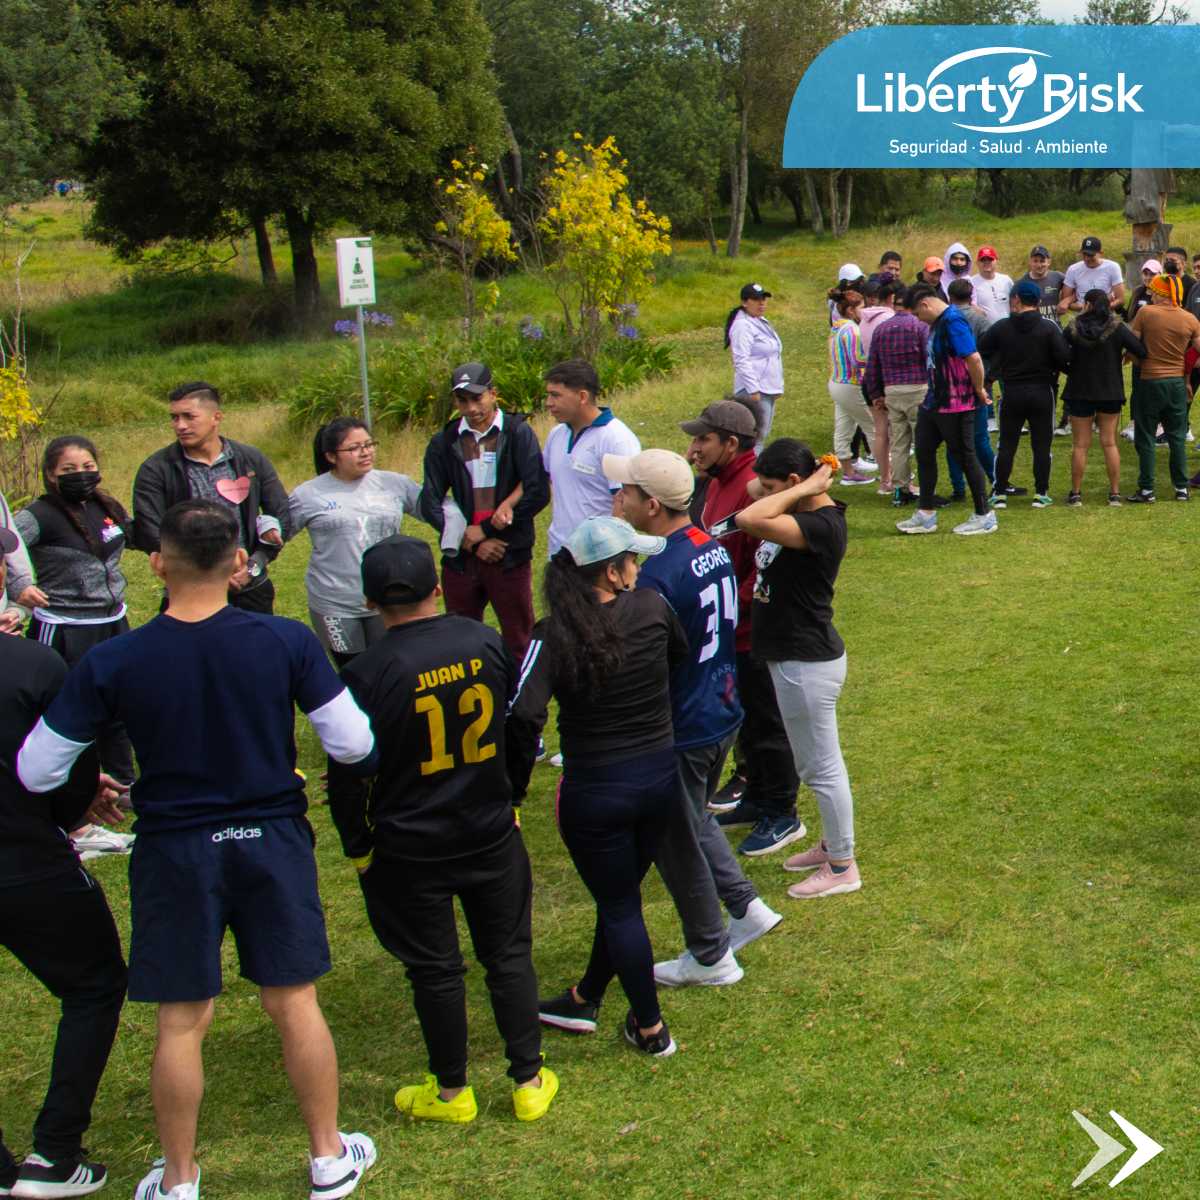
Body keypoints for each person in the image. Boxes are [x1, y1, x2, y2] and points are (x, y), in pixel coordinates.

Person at [18, 500, 380, 1200]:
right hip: (269, 838)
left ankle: (180, 1180)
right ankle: (327, 1158)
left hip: (175, 848)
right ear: (239, 564)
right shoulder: (284, 641)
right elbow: (353, 744)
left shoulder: (115, 657)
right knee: (294, 1000)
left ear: (157, 563)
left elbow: (36, 770)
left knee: (181, 1019)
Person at [326, 534, 556, 1125]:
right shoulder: (482, 639)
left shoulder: (365, 672)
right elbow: (519, 725)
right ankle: (529, 1080)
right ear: (436, 588)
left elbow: (346, 780)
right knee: (508, 955)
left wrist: (359, 851)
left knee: (434, 968)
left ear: (370, 601)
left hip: (410, 847)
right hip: (489, 830)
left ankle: (452, 1093)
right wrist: (511, 794)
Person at [506, 516, 685, 1057]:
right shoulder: (653, 608)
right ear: (613, 571)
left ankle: (650, 1028)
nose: (640, 567)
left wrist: (511, 793)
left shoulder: (551, 633)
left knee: (620, 906)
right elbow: (677, 658)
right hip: (658, 779)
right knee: (621, 899)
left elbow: (522, 715)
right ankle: (586, 995)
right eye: (634, 559)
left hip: (595, 791)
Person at [606, 450, 782, 987]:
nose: (617, 499)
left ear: (651, 504)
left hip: (684, 720)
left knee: (672, 836)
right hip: (720, 706)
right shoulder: (708, 543)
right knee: (693, 816)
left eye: (626, 492)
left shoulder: (655, 574)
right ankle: (746, 907)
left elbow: (647, 660)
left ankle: (710, 954)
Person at [0, 525, 129, 1199]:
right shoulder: (32, 666)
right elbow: (68, 777)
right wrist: (83, 799)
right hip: (27, 864)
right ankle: (53, 1153)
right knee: (95, 983)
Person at [734, 441, 861, 899]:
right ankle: (831, 845)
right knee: (816, 764)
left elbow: (750, 517)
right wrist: (801, 481)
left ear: (794, 485)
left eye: (775, 487)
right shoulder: (801, 509)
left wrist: (806, 483)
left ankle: (843, 865)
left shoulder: (821, 525)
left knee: (820, 767)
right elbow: (752, 488)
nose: (759, 492)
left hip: (803, 660)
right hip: (796, 656)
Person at [680, 401, 802, 849]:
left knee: (767, 722)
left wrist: (734, 609)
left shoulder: (756, 486)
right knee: (744, 721)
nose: (693, 449)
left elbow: (764, 563)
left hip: (751, 630)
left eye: (702, 440)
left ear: (731, 443)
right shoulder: (716, 484)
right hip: (726, 629)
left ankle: (782, 811)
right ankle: (755, 795)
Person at [11, 437, 138, 814]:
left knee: (119, 702)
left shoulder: (105, 507)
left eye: (87, 467)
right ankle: (69, 794)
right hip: (65, 626)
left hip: (114, 620)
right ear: (50, 475)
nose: (80, 476)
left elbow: (138, 537)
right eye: (68, 470)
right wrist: (19, 585)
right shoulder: (37, 515)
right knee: (68, 707)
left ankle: (124, 785)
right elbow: (7, 548)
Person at [419, 363, 550, 659]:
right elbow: (430, 500)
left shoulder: (517, 433)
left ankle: (522, 704)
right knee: (460, 643)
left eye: (477, 398)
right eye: (462, 400)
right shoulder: (444, 440)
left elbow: (538, 492)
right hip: (462, 559)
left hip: (508, 554)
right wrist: (473, 540)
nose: (470, 407)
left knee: (520, 639)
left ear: (493, 394)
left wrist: (487, 531)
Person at [132, 381, 289, 614]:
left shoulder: (250, 459)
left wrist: (254, 565)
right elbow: (150, 530)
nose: (180, 425)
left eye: (189, 416)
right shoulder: (156, 469)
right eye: (174, 417)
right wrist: (201, 576)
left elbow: (281, 513)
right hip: (187, 595)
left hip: (250, 588)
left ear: (216, 417)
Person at [287, 418, 422, 668]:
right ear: (330, 455)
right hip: (335, 602)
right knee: (354, 673)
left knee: (389, 668)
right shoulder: (308, 495)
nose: (366, 452)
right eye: (354, 448)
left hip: (386, 597)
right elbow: (276, 534)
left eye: (369, 444)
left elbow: (436, 509)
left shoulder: (395, 483)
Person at [893, 283, 997, 536]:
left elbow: (973, 358)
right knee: (925, 452)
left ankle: (984, 515)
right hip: (933, 403)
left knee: (966, 457)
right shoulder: (937, 323)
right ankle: (926, 513)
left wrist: (979, 389)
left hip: (957, 404)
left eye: (917, 314)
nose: (918, 319)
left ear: (925, 305)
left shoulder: (953, 321)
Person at [979, 280, 1073, 510]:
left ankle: (999, 492)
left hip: (1012, 392)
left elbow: (982, 348)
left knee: (1007, 445)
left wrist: (998, 363)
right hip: (1042, 391)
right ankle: (1041, 493)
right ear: (1039, 303)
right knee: (1042, 445)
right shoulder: (1049, 327)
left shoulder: (1001, 327)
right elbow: (1064, 356)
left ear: (1017, 300)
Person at [541, 360, 641, 557]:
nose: (548, 402)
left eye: (555, 395)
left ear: (582, 397)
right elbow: (544, 481)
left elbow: (624, 505)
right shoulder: (556, 434)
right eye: (548, 394)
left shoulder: (616, 439)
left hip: (597, 557)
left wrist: (607, 554)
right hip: (559, 554)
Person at [1062, 290, 1147, 506]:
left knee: (1080, 445)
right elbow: (1141, 350)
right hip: (1110, 390)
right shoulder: (1116, 327)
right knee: (1109, 444)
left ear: (1087, 303)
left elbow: (1059, 353)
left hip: (1080, 390)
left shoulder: (1073, 327)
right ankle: (1114, 494)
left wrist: (1069, 368)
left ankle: (1076, 494)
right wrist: (1126, 353)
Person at [1127, 273, 1200, 503]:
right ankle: (1181, 488)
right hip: (1177, 383)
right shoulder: (1189, 319)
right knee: (1177, 436)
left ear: (1159, 293)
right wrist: (1186, 370)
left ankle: (1147, 489)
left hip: (1150, 381)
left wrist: (1142, 363)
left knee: (1146, 435)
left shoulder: (1145, 313)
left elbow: (1131, 346)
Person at [863, 280, 929, 506]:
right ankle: (926, 489)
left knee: (899, 444)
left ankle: (900, 490)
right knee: (923, 442)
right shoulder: (919, 326)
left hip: (892, 390)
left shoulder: (881, 328)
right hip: (918, 388)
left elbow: (872, 365)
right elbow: (930, 360)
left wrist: (875, 393)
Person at [944, 280, 998, 502]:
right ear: (971, 295)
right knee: (980, 438)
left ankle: (958, 487)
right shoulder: (979, 319)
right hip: (975, 384)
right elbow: (992, 350)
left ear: (949, 296)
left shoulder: (942, 320)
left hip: (948, 386)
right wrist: (989, 378)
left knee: (953, 439)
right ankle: (996, 480)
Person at [1018, 246, 1070, 435]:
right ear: (1030, 261)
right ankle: (1038, 420)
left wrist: (1065, 300)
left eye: (1043, 260)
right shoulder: (1021, 282)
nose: (1039, 264)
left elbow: (1074, 290)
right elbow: (1014, 308)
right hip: (1032, 338)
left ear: (1049, 261)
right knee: (1038, 380)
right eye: (1036, 260)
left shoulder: (1058, 277)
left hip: (1055, 335)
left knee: (1057, 378)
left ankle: (1063, 419)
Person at [826, 287, 875, 486]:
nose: (864, 310)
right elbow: (857, 359)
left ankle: (847, 472)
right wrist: (876, 359)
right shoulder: (853, 330)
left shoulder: (836, 328)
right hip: (851, 384)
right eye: (861, 307)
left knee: (844, 427)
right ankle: (890, 473)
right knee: (874, 427)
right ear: (850, 310)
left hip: (836, 383)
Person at [725, 283, 784, 447]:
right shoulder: (742, 325)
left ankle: (754, 470)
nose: (762, 303)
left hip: (767, 386)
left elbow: (774, 354)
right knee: (753, 438)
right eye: (756, 299)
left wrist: (777, 385)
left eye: (763, 299)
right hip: (754, 389)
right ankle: (750, 472)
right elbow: (741, 359)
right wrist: (753, 389)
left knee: (762, 435)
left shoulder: (760, 321)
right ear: (744, 302)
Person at [857, 279, 897, 495]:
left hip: (870, 379)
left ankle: (885, 479)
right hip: (889, 379)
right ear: (892, 298)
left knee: (880, 432)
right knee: (898, 431)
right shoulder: (889, 319)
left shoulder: (864, 320)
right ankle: (898, 478)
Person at [1057, 237, 1125, 317]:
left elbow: (1121, 300)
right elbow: (1065, 301)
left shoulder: (1112, 267)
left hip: (1105, 318)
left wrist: (1101, 309)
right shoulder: (1073, 269)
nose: (1087, 258)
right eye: (1084, 254)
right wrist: (1084, 308)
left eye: (1091, 255)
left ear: (1100, 253)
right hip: (1082, 317)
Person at [969, 247, 1012, 325]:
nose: (987, 262)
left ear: (997, 263)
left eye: (990, 259)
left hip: (1008, 329)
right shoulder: (971, 282)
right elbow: (965, 306)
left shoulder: (1006, 280)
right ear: (977, 263)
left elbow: (1015, 302)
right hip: (985, 330)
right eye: (983, 260)